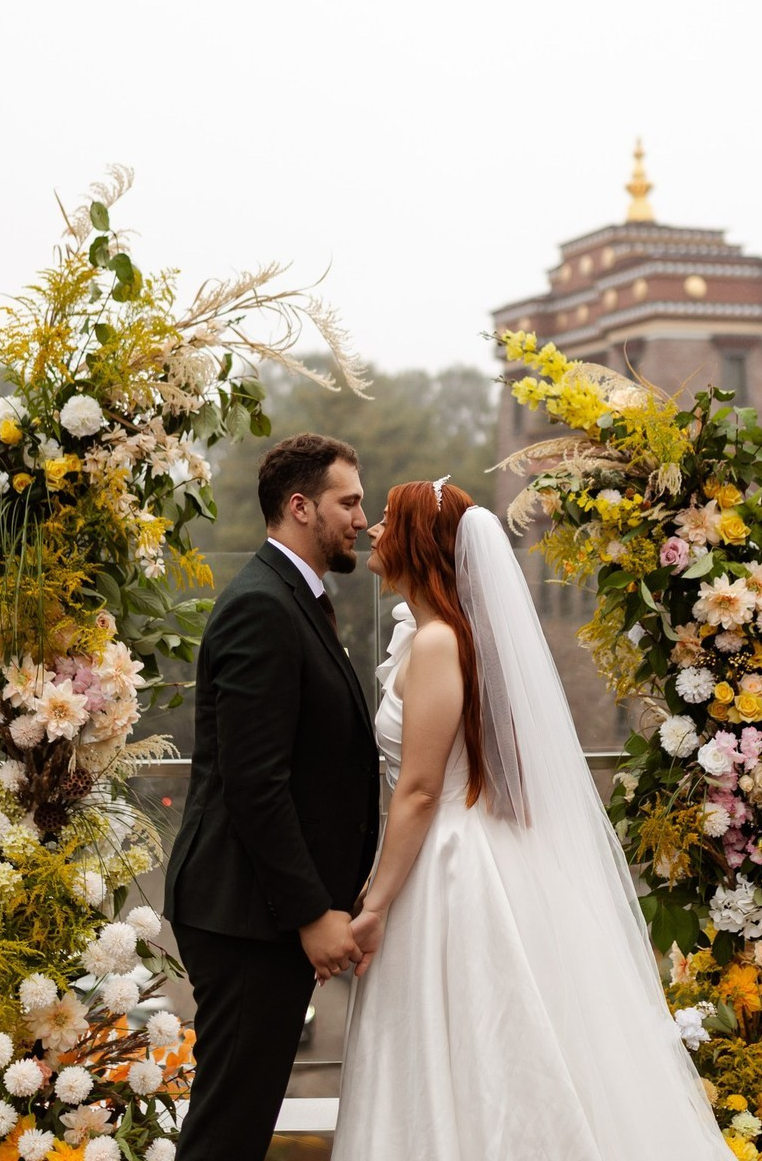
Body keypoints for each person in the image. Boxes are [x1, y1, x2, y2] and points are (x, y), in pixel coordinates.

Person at [332, 479, 732, 1160]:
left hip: (448, 862)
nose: (372, 529)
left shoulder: (438, 643)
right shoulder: (431, 636)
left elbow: (421, 790)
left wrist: (374, 905)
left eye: (388, 519)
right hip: (453, 848)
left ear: (417, 542)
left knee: (464, 1036)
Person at [164, 433, 380, 1161]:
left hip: (262, 914)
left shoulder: (297, 599)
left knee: (239, 1123)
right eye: (349, 502)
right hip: (245, 917)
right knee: (228, 1129)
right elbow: (254, 783)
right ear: (300, 506)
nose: (362, 519)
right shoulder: (261, 606)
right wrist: (312, 912)